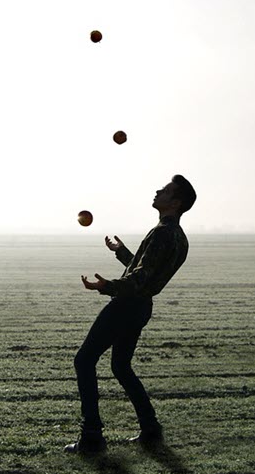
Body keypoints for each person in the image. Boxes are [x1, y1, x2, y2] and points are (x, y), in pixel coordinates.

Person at [64, 175, 196, 454]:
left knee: (84, 360)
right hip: (141, 307)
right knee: (121, 367)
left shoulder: (162, 232)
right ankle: (150, 429)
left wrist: (106, 286)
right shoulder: (178, 237)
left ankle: (91, 436)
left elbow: (141, 277)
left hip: (127, 305)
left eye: (166, 190)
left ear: (176, 202)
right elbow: (148, 271)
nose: (158, 190)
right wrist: (121, 252)